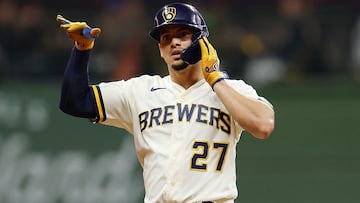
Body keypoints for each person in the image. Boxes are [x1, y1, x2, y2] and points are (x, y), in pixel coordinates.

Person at [56, 2, 275, 203]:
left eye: (183, 34)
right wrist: (81, 49)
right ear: (160, 50)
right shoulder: (140, 91)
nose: (174, 42)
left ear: (202, 42)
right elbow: (75, 101)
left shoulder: (231, 90)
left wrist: (215, 78)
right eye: (166, 38)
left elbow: (264, 125)